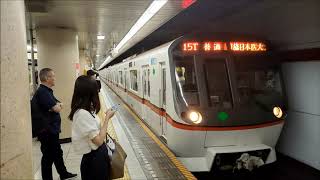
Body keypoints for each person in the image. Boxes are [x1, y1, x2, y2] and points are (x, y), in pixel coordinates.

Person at [69, 75, 115, 180]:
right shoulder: (82, 114)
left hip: (96, 157)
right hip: (95, 160)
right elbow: (98, 141)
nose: (98, 92)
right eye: (96, 89)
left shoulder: (86, 110)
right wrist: (107, 117)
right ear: (89, 92)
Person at [34, 68, 77, 180]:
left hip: (52, 129)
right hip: (47, 131)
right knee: (48, 156)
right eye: (53, 76)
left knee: (57, 153)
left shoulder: (47, 91)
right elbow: (57, 108)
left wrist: (56, 106)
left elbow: (58, 105)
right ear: (47, 78)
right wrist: (56, 107)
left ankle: (63, 173)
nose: (54, 78)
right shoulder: (43, 92)